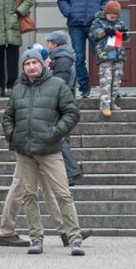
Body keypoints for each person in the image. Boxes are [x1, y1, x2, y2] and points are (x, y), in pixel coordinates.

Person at [3, 46, 84, 256]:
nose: (31, 66)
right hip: (25, 151)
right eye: (27, 64)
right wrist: (13, 136)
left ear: (43, 64)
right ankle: (36, 239)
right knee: (29, 196)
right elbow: (8, 116)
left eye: (34, 62)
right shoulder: (18, 88)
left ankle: (75, 238)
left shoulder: (57, 85)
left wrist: (54, 133)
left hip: (50, 150)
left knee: (63, 194)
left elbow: (72, 113)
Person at [56, 0, 114, 97]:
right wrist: (70, 13)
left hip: (96, 24)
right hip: (76, 24)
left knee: (100, 56)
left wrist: (100, 13)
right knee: (79, 58)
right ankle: (84, 87)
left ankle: (106, 87)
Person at [44, 31, 85, 185]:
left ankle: (72, 172)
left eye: (49, 42)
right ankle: (68, 174)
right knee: (61, 139)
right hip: (63, 104)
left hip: (61, 106)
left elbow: (59, 84)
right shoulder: (60, 58)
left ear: (55, 44)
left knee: (60, 140)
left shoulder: (62, 61)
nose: (47, 45)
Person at [88, 0, 128, 119]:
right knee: (106, 80)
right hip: (105, 56)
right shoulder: (98, 22)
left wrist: (124, 33)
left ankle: (112, 102)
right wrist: (104, 31)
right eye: (111, 16)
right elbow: (92, 34)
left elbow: (126, 35)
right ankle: (104, 105)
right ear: (106, 13)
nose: (113, 18)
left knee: (116, 81)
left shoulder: (119, 22)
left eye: (115, 17)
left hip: (118, 55)